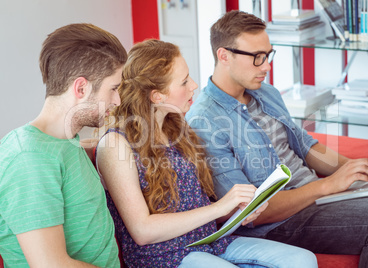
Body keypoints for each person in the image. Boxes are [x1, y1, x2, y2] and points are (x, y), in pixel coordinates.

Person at [185, 10, 368, 268]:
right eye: (257, 58)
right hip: (279, 223)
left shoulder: (266, 93)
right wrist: (327, 185)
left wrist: (358, 167)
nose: (267, 66)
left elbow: (306, 145)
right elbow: (248, 213)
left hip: (313, 198)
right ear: (224, 56)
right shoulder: (204, 122)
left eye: (268, 55)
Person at [95, 39, 318, 268]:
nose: (194, 85)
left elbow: (199, 209)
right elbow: (142, 231)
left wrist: (237, 211)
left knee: (303, 260)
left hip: (210, 242)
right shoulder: (115, 144)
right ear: (157, 96)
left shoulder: (177, 129)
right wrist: (218, 208)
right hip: (165, 256)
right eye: (183, 82)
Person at [0, 23, 127, 267]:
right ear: (81, 88)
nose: (118, 100)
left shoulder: (65, 141)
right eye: (113, 88)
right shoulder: (29, 159)